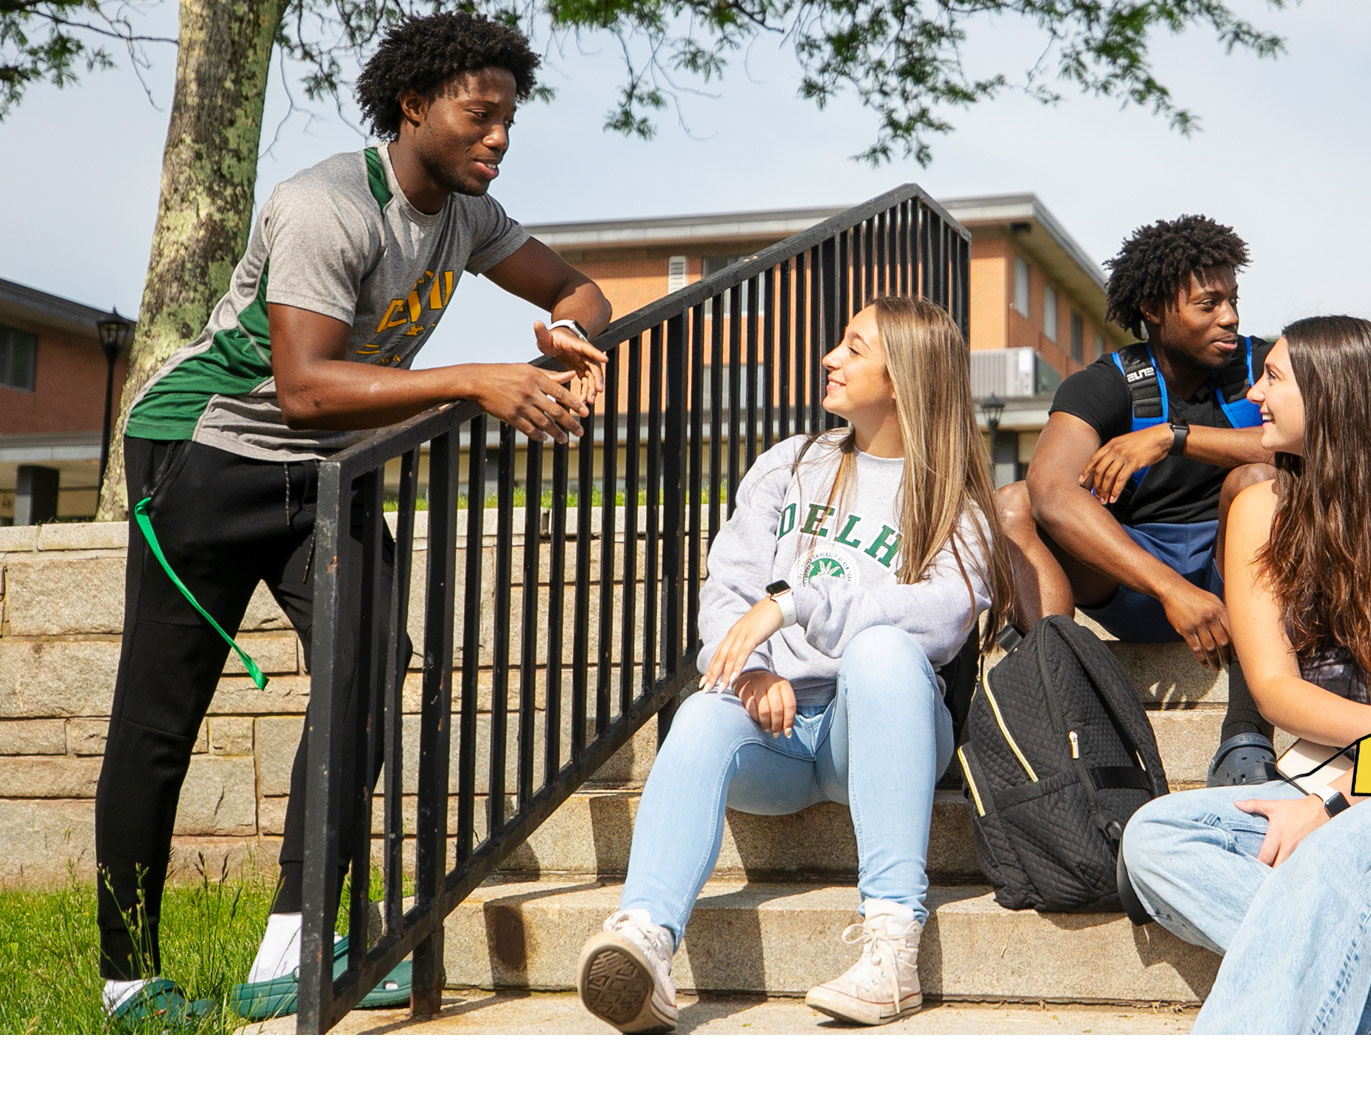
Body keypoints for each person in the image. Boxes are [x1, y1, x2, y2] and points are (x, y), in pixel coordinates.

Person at [96, 12, 611, 1028]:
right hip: (206, 458)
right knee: (162, 714)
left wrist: (566, 332)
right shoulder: (327, 204)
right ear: (415, 105)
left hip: (326, 469)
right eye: (480, 114)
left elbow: (579, 288)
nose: (498, 137)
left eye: (509, 119)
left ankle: (291, 947)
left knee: (369, 666)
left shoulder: (468, 215)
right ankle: (126, 982)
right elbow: (303, 387)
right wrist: (477, 381)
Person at [574, 296, 1012, 1034]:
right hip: (774, 731)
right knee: (703, 709)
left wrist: (801, 602)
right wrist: (747, 671)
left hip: (878, 731)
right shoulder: (793, 462)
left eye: (853, 347)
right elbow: (728, 591)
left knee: (880, 651)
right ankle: (645, 940)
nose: (829, 359)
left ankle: (892, 944)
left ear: (902, 377)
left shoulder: (953, 496)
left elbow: (941, 619)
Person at [1119, 315, 1371, 1035]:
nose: (1254, 391)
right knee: (1155, 836)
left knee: (1328, 863)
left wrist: (1343, 802)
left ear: (1334, 394)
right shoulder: (1259, 511)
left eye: (1274, 377)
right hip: (1312, 775)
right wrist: (1356, 772)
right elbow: (1274, 690)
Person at [994, 216, 1282, 788]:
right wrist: (1171, 588)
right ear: (1154, 308)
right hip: (1135, 580)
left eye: (1233, 299)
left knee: (1255, 479)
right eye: (1208, 303)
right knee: (1012, 503)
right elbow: (1051, 492)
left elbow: (1318, 447)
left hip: (1242, 576)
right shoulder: (1106, 382)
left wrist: (1171, 436)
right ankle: (1062, 722)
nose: (1229, 317)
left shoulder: (1267, 366)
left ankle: (1246, 736)